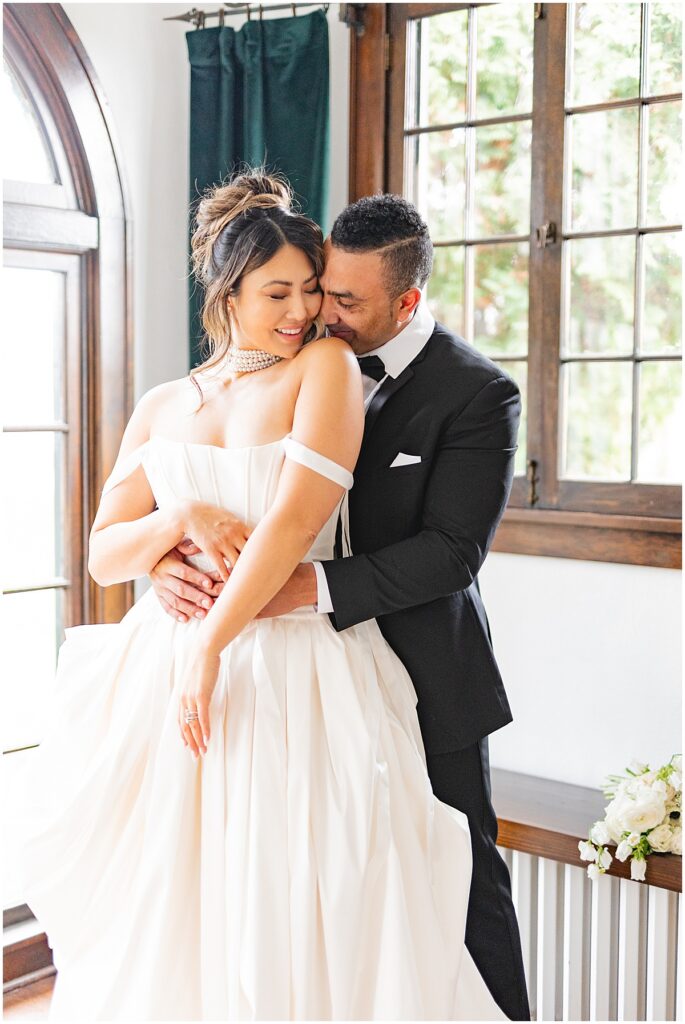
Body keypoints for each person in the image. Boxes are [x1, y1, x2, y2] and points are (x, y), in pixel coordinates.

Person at [16, 170, 508, 1021]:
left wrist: (213, 644)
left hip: (319, 662)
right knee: (184, 898)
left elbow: (307, 528)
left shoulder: (341, 369)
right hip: (169, 670)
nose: (309, 311)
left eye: (320, 293)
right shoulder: (165, 401)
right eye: (283, 291)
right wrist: (179, 520)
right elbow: (104, 553)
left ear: (401, 298)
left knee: (362, 896)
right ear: (226, 293)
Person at [150, 191, 531, 1021]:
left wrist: (305, 588)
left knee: (457, 885)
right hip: (295, 686)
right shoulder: (292, 361)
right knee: (319, 892)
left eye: (344, 300)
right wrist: (166, 562)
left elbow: (451, 553)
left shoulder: (476, 394)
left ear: (406, 302)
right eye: (320, 288)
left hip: (426, 678)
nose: (322, 311)